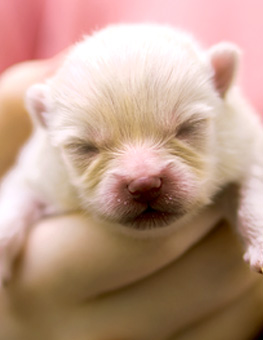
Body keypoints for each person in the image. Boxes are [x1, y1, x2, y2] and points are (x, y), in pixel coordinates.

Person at [0, 56, 263, 340]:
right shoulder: (44, 157)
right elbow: (25, 185)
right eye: (87, 148)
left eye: (185, 130)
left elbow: (253, 163)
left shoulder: (236, 128)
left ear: (220, 82)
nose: (144, 179)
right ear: (43, 116)